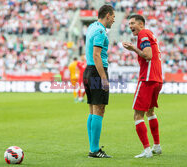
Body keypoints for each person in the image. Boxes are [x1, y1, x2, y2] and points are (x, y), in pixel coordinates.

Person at [122, 14, 163, 158]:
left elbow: (148, 55)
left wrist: (133, 49)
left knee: (137, 115)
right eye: (129, 24)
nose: (130, 26)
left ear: (141, 24)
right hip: (157, 79)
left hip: (147, 78)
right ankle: (156, 146)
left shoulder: (143, 33)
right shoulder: (150, 33)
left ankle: (146, 150)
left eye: (132, 23)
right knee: (150, 112)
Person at [83, 5, 115, 158]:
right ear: (107, 15)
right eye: (113, 16)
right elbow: (97, 55)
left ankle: (92, 147)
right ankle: (94, 149)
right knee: (99, 110)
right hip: (97, 72)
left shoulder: (91, 27)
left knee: (92, 110)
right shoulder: (101, 31)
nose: (114, 19)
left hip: (88, 70)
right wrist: (103, 78)